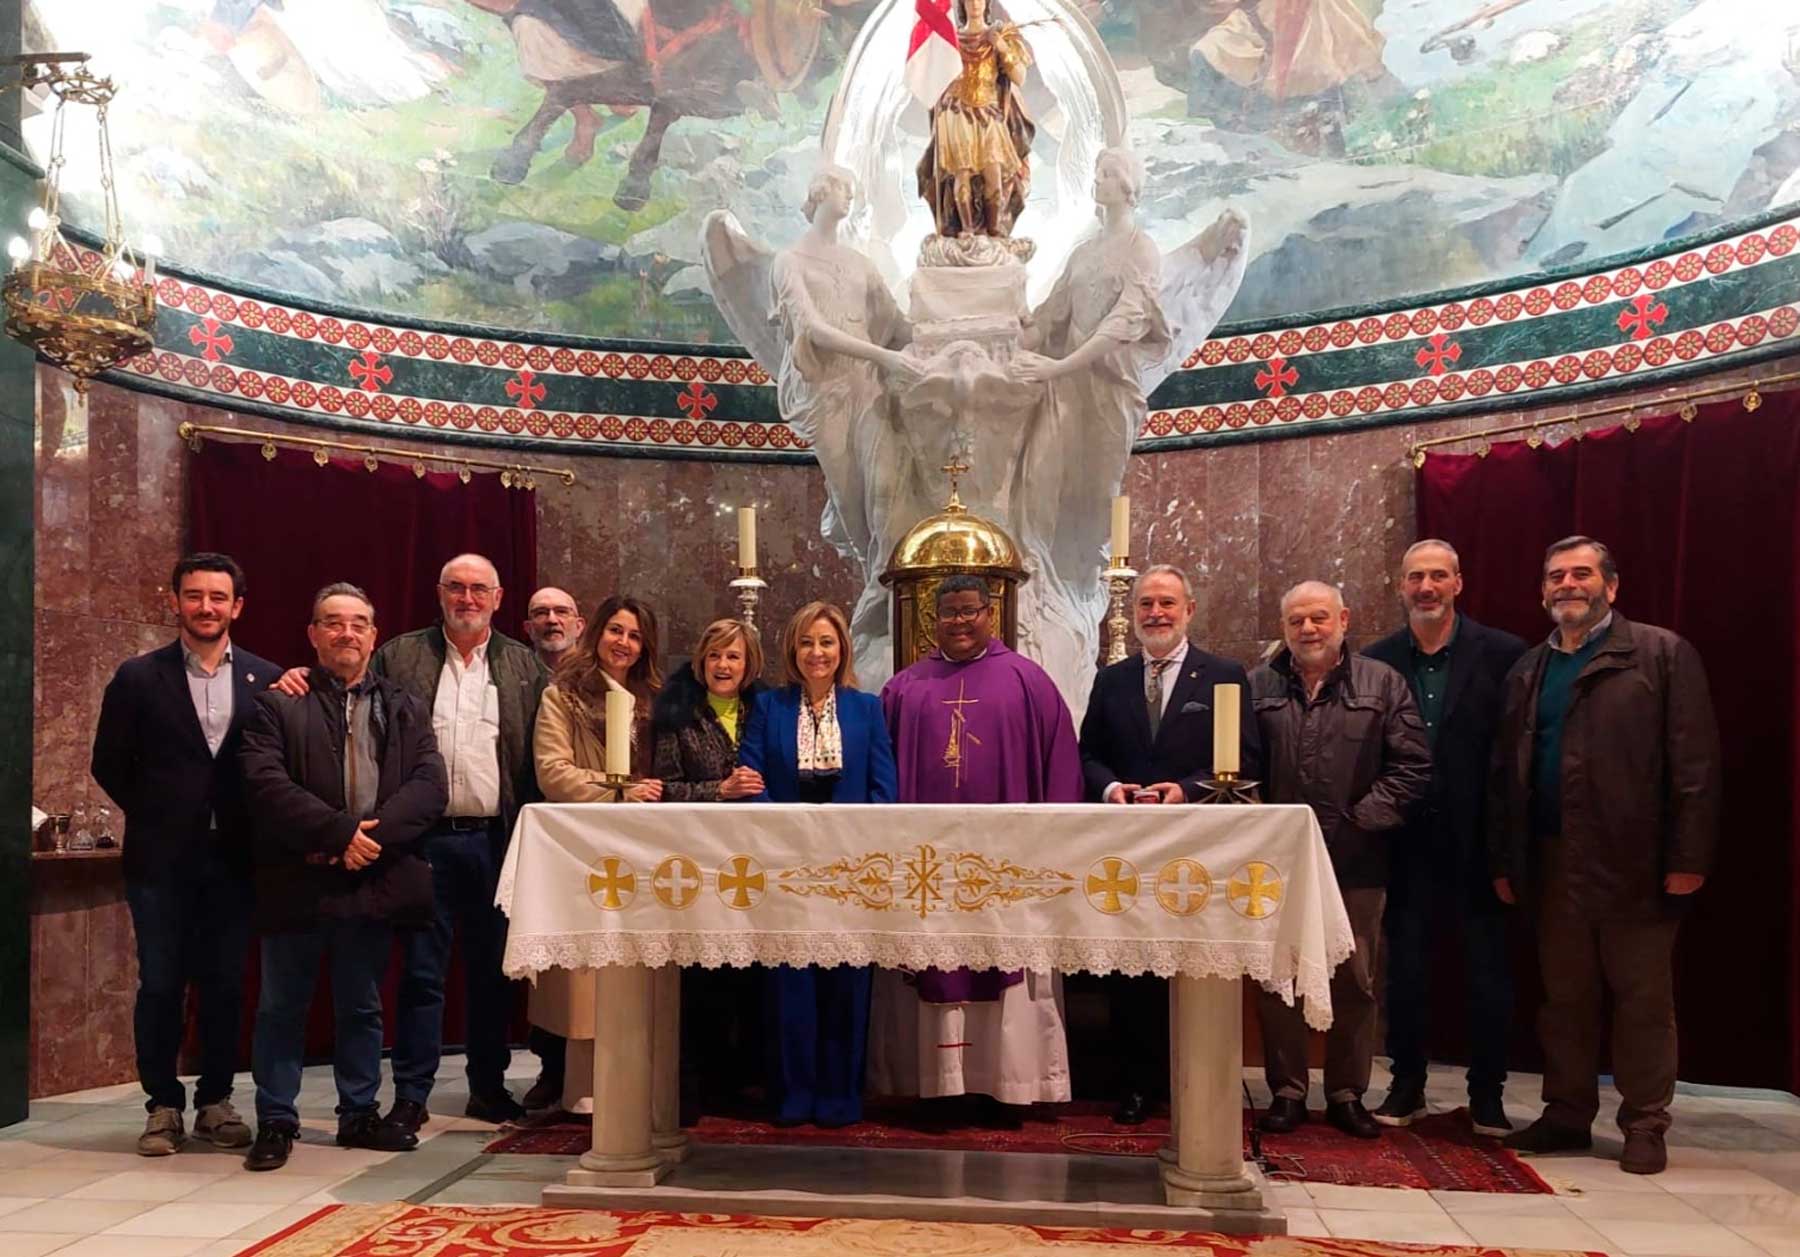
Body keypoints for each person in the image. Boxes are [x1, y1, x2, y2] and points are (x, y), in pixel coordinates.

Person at [1490, 537, 1721, 1175]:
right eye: (1556, 575)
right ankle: (1567, 1115)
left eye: (1581, 574)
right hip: (1551, 859)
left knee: (1642, 999)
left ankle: (1645, 1123)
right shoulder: (1528, 670)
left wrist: (1688, 856)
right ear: (1543, 591)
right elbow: (1507, 774)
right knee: (1564, 999)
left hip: (1635, 861)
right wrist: (1507, 860)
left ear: (1611, 587)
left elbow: (1695, 765)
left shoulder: (1661, 655)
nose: (1568, 584)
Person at [238, 583, 448, 1171]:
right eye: (333, 622)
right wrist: (337, 835)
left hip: (370, 878)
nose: (346, 633)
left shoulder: (404, 704)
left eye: (359, 623)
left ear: (374, 636)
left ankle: (358, 1113)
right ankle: (276, 1119)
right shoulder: (278, 703)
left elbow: (430, 787)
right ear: (313, 634)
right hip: (297, 877)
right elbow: (264, 784)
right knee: (282, 1005)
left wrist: (368, 842)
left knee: (361, 1005)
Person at [870, 574, 1082, 1120]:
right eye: (949, 612)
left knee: (1004, 962)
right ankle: (936, 1087)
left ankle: (1007, 1083)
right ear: (932, 619)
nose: (960, 621)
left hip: (1008, 870)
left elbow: (1061, 770)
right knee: (934, 961)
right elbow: (880, 777)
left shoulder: (1027, 681)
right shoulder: (905, 688)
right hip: (926, 869)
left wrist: (1052, 853)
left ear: (991, 613)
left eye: (970, 611)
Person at [91, 552, 278, 1157]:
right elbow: (108, 765)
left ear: (237, 607)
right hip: (161, 863)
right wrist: (163, 813)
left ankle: (216, 1102)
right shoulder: (138, 677)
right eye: (194, 595)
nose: (206, 607)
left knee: (225, 983)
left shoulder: (267, 680)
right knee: (161, 984)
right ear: (174, 600)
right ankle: (163, 1105)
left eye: (218, 597)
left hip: (236, 862)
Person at [1077, 563, 1261, 1125]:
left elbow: (1247, 760)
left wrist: (1185, 790)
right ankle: (1136, 1086)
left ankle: (1192, 1083)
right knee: (1131, 970)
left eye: (1166, 604)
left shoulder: (1224, 676)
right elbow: (1087, 755)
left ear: (1190, 610)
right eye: (1146, 605)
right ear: (1132, 616)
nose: (1156, 613)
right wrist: (1110, 788)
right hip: (1126, 850)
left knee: (1189, 968)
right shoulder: (1113, 679)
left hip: (1195, 849)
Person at [1250, 581, 1431, 1139]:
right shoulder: (1256, 686)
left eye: (1319, 618)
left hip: (1356, 858)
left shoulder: (1383, 683)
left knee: (1355, 978)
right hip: (1276, 862)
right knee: (1278, 977)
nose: (1309, 629)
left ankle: (1347, 1091)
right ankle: (1286, 1089)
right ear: (1284, 627)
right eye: (1297, 619)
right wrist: (1264, 826)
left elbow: (1410, 766)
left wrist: (1357, 824)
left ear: (1344, 620)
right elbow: (1234, 765)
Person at [1363, 540, 1526, 1138]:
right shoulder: (1377, 661)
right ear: (1400, 586)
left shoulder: (1506, 655)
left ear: (1459, 582)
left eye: (1437, 576)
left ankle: (1488, 1093)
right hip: (1405, 843)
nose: (1425, 587)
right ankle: (1407, 1083)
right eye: (1414, 577)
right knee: (1405, 971)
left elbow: (1517, 754)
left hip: (1481, 841)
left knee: (1488, 972)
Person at [737, 601, 897, 1126]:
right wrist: (785, 836)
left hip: (851, 866)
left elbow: (883, 790)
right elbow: (753, 778)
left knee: (847, 983)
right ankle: (793, 1091)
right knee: (791, 984)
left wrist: (856, 845)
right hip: (787, 864)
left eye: (826, 642)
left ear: (842, 649)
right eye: (807, 642)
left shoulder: (866, 708)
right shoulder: (770, 707)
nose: (817, 652)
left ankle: (840, 1093)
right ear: (793, 650)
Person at [529, 594, 664, 1112]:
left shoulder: (653, 700)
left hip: (644, 852)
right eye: (615, 631)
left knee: (640, 972)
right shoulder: (563, 696)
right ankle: (585, 1091)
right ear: (595, 634)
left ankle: (644, 1087)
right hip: (587, 851)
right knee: (588, 980)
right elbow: (553, 772)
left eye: (634, 635)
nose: (623, 643)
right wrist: (618, 790)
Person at [652, 617, 769, 1116]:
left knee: (751, 975)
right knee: (703, 978)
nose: (724, 665)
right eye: (716, 655)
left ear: (749, 665)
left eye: (734, 656)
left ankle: (745, 1081)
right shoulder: (677, 713)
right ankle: (695, 1086)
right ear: (701, 662)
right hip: (700, 863)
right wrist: (718, 790)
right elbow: (664, 788)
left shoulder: (766, 710)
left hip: (758, 861)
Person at [917, 0, 1035, 239]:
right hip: (957, 114)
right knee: (961, 175)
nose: (974, 4)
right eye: (968, 0)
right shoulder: (951, 40)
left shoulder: (1000, 35)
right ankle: (967, 230)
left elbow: (1019, 77)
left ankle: (994, 232)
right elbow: (936, 80)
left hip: (989, 114)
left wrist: (1001, 47)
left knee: (994, 176)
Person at [523, 585, 584, 671]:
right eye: (541, 613)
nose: (552, 620)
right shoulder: (514, 673)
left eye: (561, 612)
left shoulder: (598, 673)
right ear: (528, 628)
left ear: (579, 626)